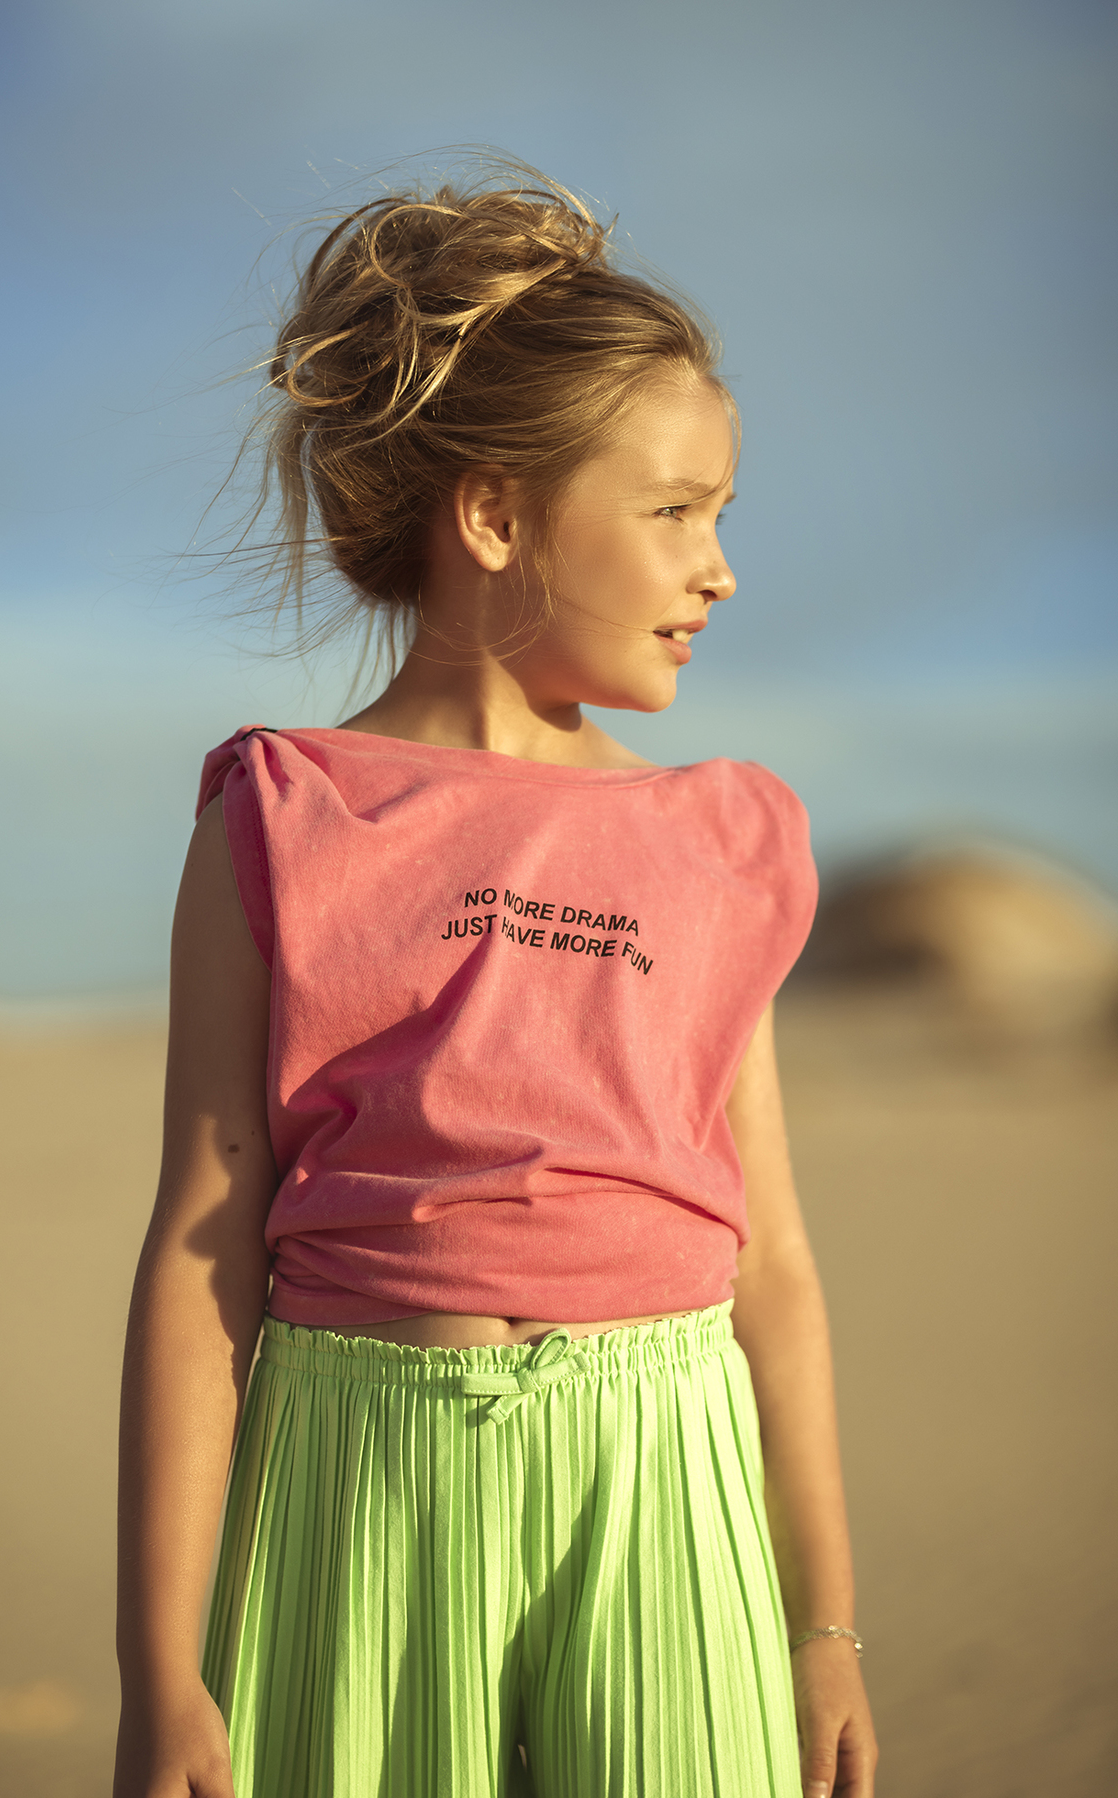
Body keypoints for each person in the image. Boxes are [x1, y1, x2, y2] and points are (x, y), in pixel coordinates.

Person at [113, 163, 878, 1798]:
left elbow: (780, 1262)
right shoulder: (285, 812)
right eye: (674, 510)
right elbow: (203, 1235)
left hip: (665, 1480)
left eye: (722, 513)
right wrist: (158, 1668)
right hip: (357, 1481)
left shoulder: (725, 837)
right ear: (496, 514)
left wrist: (826, 1628)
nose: (719, 566)